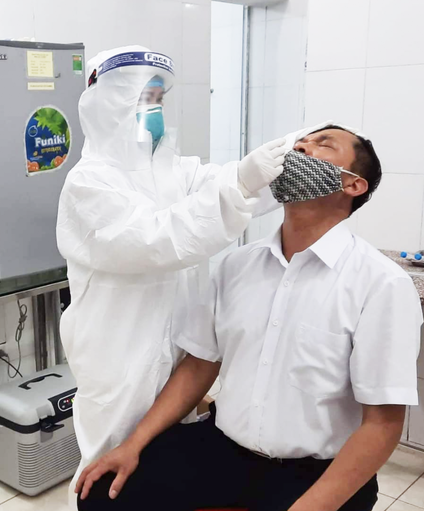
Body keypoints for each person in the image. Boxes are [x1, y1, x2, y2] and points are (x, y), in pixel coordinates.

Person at [74, 125, 423, 511]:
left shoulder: (381, 284)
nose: (301, 147)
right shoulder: (237, 266)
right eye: (300, 142)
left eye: (323, 144)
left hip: (316, 470)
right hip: (223, 450)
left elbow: (383, 423)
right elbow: (200, 364)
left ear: (352, 184)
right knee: (102, 494)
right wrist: (133, 444)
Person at [56, 45, 288, 506]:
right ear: (110, 103)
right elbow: (157, 240)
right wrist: (243, 181)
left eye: (160, 99)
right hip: (118, 352)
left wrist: (294, 155)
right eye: (146, 98)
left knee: (167, 462)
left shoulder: (173, 172)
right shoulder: (89, 182)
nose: (156, 110)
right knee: (111, 471)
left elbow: (229, 189)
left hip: (176, 345)